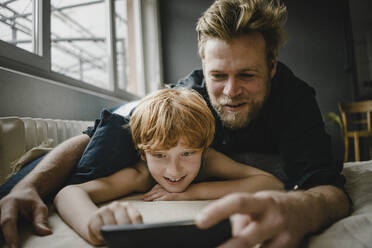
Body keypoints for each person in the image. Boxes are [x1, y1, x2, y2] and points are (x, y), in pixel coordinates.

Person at [0, 0, 350, 248]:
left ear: (271, 67)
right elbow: (96, 134)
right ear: (203, 67)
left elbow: (321, 184)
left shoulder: (294, 99)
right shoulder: (184, 99)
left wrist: (298, 208)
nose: (230, 91)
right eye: (218, 75)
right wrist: (29, 184)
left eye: (247, 74)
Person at [53, 87, 283, 245]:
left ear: (203, 149)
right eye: (160, 155)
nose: (174, 170)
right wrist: (92, 224)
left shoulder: (208, 160)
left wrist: (193, 192)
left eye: (186, 153)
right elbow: (68, 192)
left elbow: (271, 182)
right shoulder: (140, 176)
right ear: (143, 154)